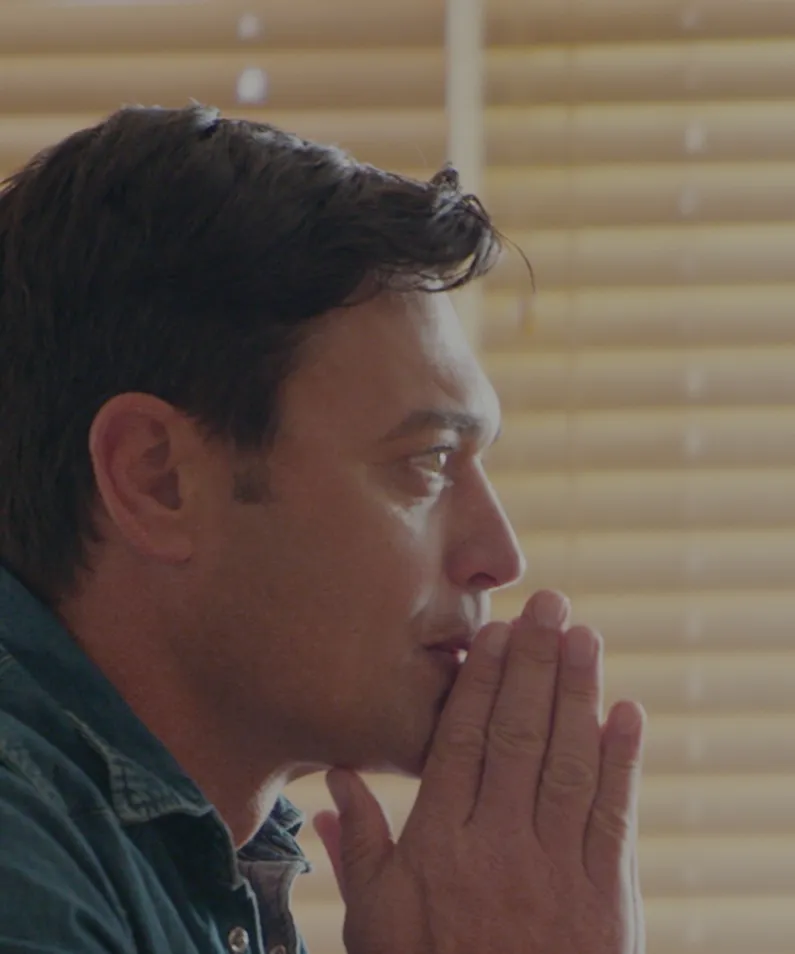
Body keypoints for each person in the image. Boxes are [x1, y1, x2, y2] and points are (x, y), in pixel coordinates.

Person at [0, 104, 646, 954]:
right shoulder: (23, 869)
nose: (498, 556)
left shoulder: (184, 854)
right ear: (156, 479)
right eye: (426, 463)